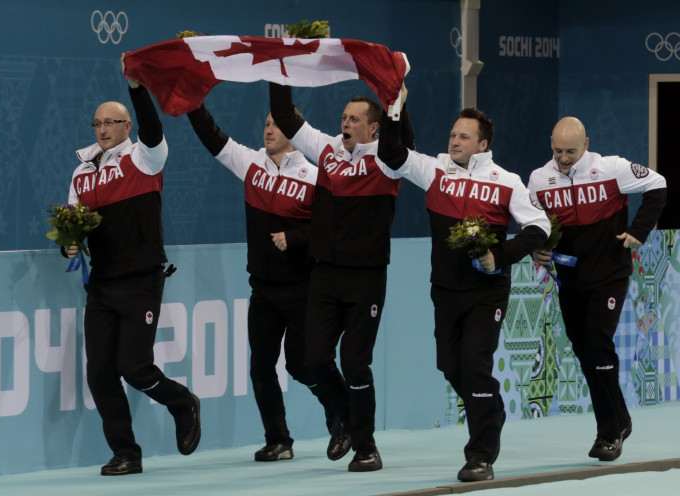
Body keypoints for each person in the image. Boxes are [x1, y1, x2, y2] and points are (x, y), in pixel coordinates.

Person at [377, 86, 550, 482]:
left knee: (474, 364)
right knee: (449, 365)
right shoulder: (435, 169)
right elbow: (392, 153)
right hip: (445, 289)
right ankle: (490, 409)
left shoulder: (506, 180)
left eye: (463, 136)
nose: (454, 140)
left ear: (483, 144)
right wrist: (396, 105)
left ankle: (481, 456)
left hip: (486, 291)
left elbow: (539, 226)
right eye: (453, 135)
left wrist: (500, 255)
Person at [61, 58, 201, 476]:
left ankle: (182, 402)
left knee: (134, 367)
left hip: (141, 280)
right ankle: (126, 452)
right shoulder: (81, 172)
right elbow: (71, 224)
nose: (102, 129)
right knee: (100, 373)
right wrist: (69, 245)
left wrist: (137, 90)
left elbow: (154, 132)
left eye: (110, 122)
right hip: (101, 285)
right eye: (96, 123)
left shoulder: (145, 159)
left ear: (126, 128)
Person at [185, 100, 344, 462]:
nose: (268, 130)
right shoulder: (252, 164)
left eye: (277, 125)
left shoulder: (315, 175)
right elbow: (213, 138)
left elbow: (329, 229)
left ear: (295, 133)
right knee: (260, 367)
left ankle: (341, 412)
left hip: (304, 288)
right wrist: (194, 100)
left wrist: (296, 237)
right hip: (263, 287)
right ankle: (278, 440)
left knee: (301, 366)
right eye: (267, 123)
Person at [269, 82, 414, 472]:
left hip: (365, 278)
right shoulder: (327, 149)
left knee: (354, 362)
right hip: (325, 275)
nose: (346, 124)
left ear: (374, 129)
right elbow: (286, 117)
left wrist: (397, 95)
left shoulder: (387, 158)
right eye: (344, 117)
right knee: (312, 360)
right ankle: (345, 418)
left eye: (354, 120)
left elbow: (403, 138)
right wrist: (278, 66)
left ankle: (366, 446)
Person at [528, 116, 667, 462]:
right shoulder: (538, 179)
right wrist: (536, 247)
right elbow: (534, 223)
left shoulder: (612, 168)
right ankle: (619, 418)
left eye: (571, 152)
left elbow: (658, 184)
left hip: (610, 275)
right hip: (569, 280)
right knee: (585, 351)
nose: (563, 158)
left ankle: (608, 433)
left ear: (586, 144)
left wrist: (639, 229)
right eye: (558, 151)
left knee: (597, 343)